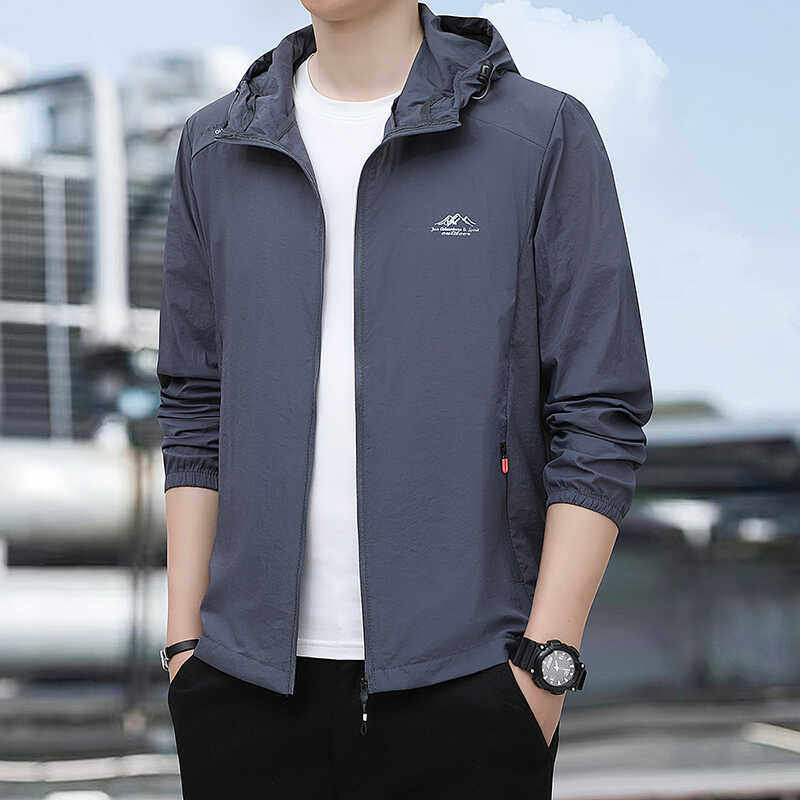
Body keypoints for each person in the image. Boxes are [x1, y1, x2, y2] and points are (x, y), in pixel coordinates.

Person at [156, 1, 653, 797]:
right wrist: (187, 646)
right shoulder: (214, 145)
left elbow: (599, 411)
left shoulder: (540, 135)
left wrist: (545, 665)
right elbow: (194, 401)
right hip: (238, 689)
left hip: (474, 682)